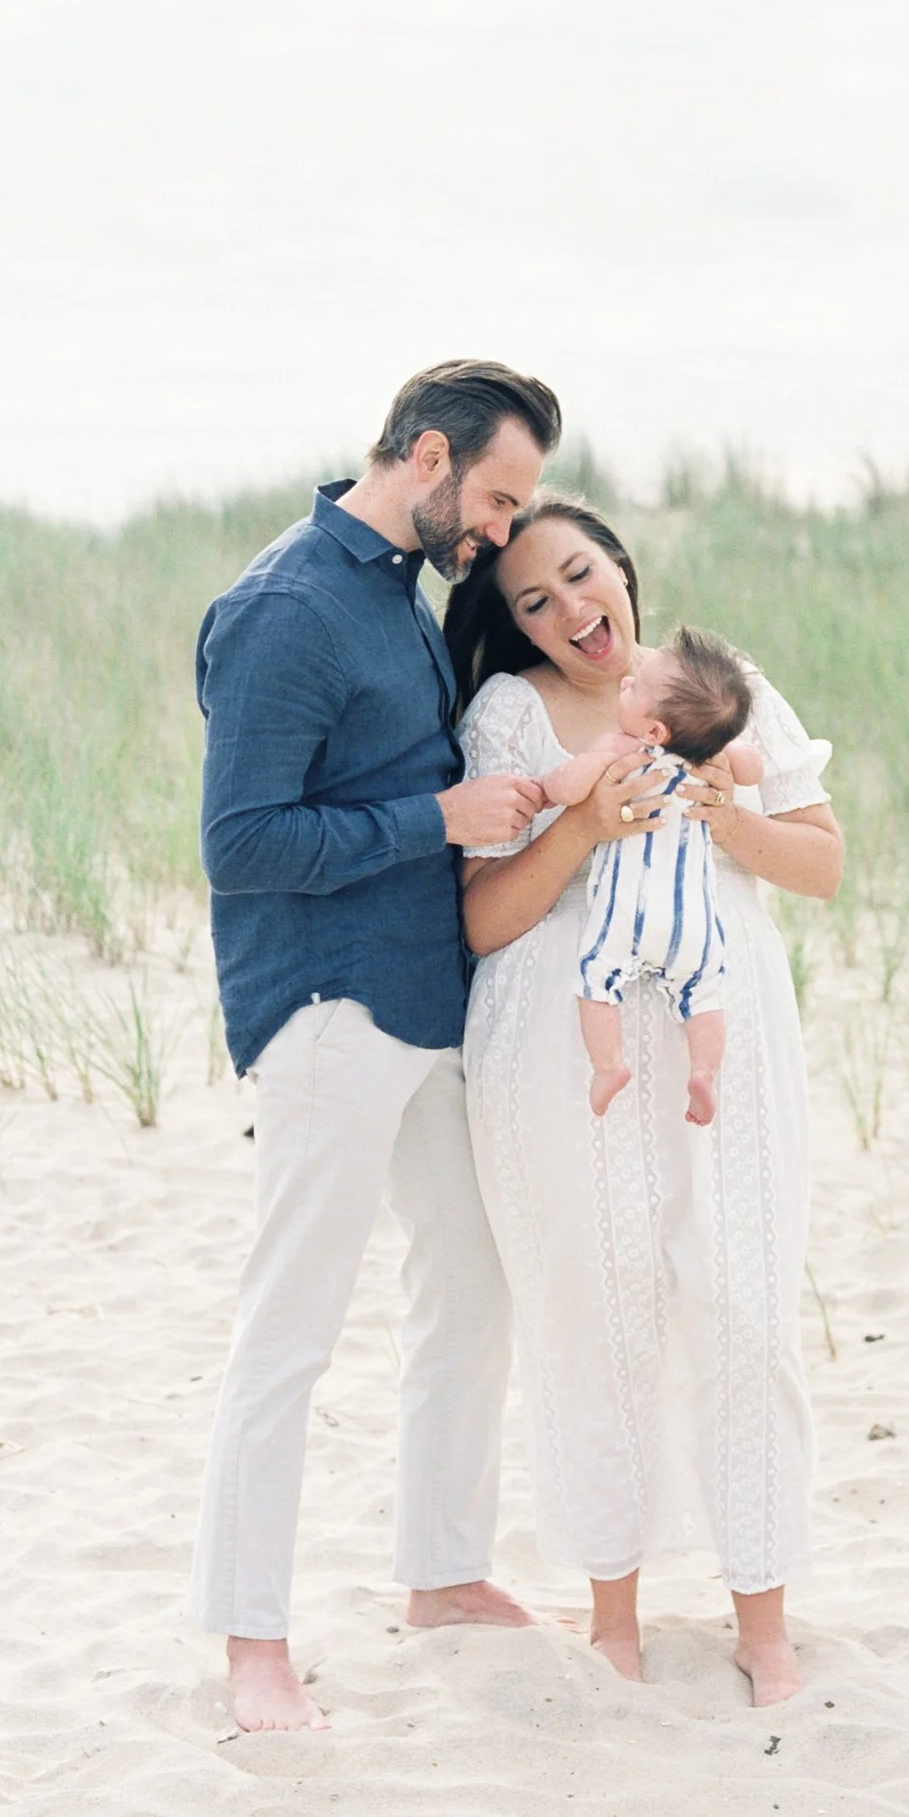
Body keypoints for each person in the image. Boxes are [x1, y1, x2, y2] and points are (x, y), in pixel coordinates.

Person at [188, 359, 561, 1733]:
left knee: (469, 1288)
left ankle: (443, 1574)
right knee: (290, 1329)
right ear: (423, 455)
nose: (506, 534)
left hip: (427, 1006)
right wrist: (440, 823)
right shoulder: (285, 607)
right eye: (499, 499)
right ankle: (250, 1644)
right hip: (325, 1011)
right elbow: (240, 849)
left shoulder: (394, 592)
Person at [443, 498, 843, 1705]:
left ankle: (760, 1617)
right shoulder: (509, 716)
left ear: (620, 566)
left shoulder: (730, 689)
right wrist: (586, 824)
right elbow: (484, 917)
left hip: (722, 1035)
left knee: (744, 1304)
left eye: (580, 577)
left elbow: (821, 861)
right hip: (574, 1048)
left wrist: (720, 809)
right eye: (534, 603)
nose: (572, 614)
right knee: (595, 1310)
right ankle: (613, 1613)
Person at [539, 628, 765, 1126]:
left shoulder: (620, 749)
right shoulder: (713, 759)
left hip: (627, 909)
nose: (624, 684)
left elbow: (566, 788)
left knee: (596, 978)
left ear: (656, 732)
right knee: (705, 992)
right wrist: (727, 745)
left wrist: (549, 784)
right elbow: (753, 769)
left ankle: (608, 1066)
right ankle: (703, 1072)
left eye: (634, 686)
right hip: (692, 919)